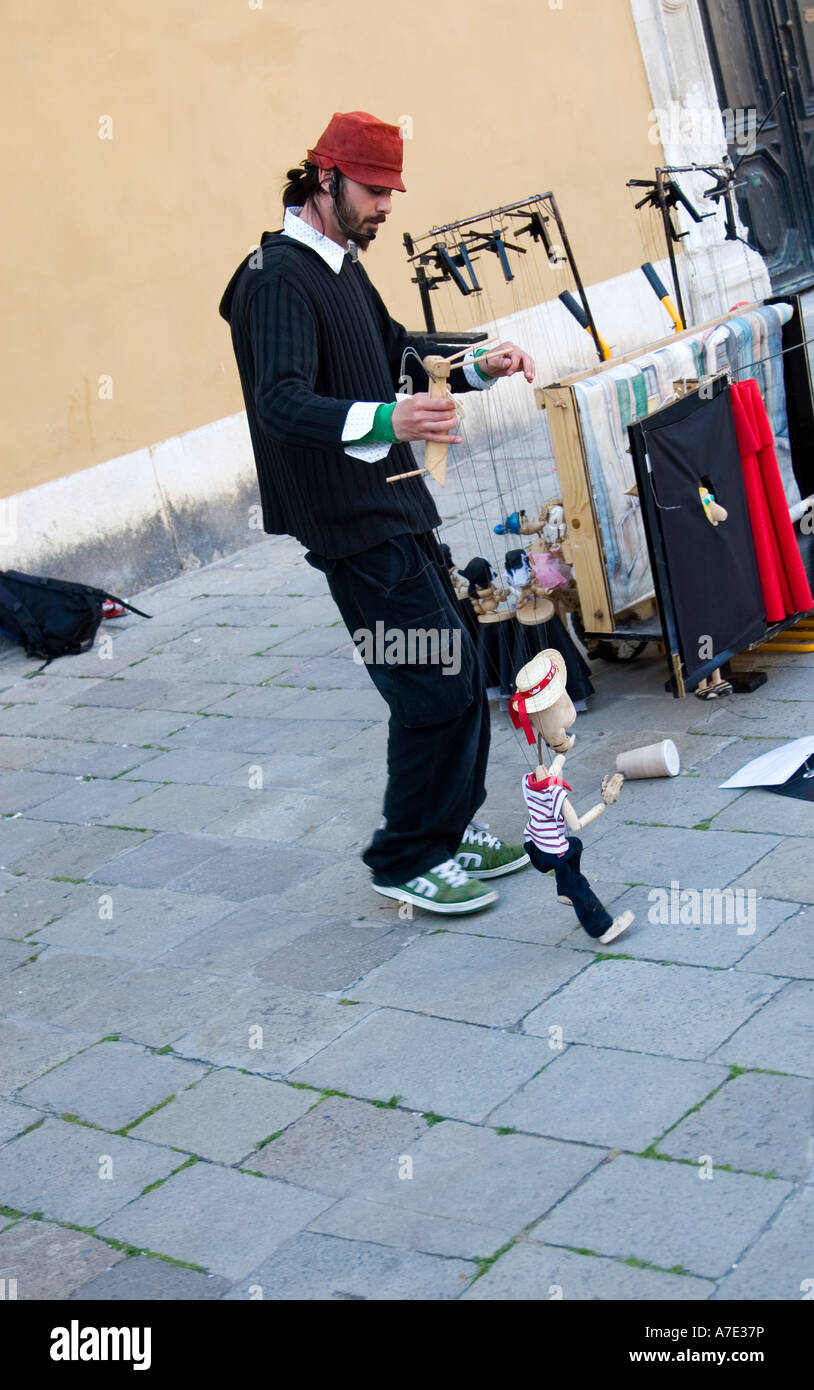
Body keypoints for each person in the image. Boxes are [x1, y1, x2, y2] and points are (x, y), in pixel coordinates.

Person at [219, 109, 536, 915]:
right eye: (373, 189)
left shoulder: (340, 262)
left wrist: (475, 363)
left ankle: (450, 825)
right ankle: (404, 857)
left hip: (393, 504)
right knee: (434, 680)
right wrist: (393, 420)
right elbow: (282, 404)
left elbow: (394, 350)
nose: (387, 206)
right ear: (324, 180)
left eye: (392, 190)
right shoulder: (274, 278)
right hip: (348, 522)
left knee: (459, 662)